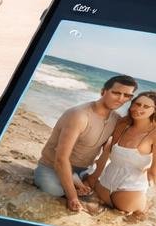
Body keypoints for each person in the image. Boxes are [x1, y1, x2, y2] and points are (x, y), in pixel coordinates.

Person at [33, 75, 138, 211]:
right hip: (52, 166)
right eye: (116, 93)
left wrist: (94, 177)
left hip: (84, 170)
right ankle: (72, 181)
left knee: (108, 194)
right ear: (103, 91)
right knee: (55, 191)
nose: (120, 99)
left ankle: (77, 180)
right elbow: (61, 159)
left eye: (127, 96)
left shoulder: (116, 119)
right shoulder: (79, 115)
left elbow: (108, 149)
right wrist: (72, 197)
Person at [90, 90, 156, 219]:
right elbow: (106, 152)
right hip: (104, 186)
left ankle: (145, 203)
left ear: (155, 110)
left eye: (146, 106)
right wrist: (94, 176)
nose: (139, 108)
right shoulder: (122, 125)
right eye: (137, 104)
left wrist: (149, 188)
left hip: (130, 191)